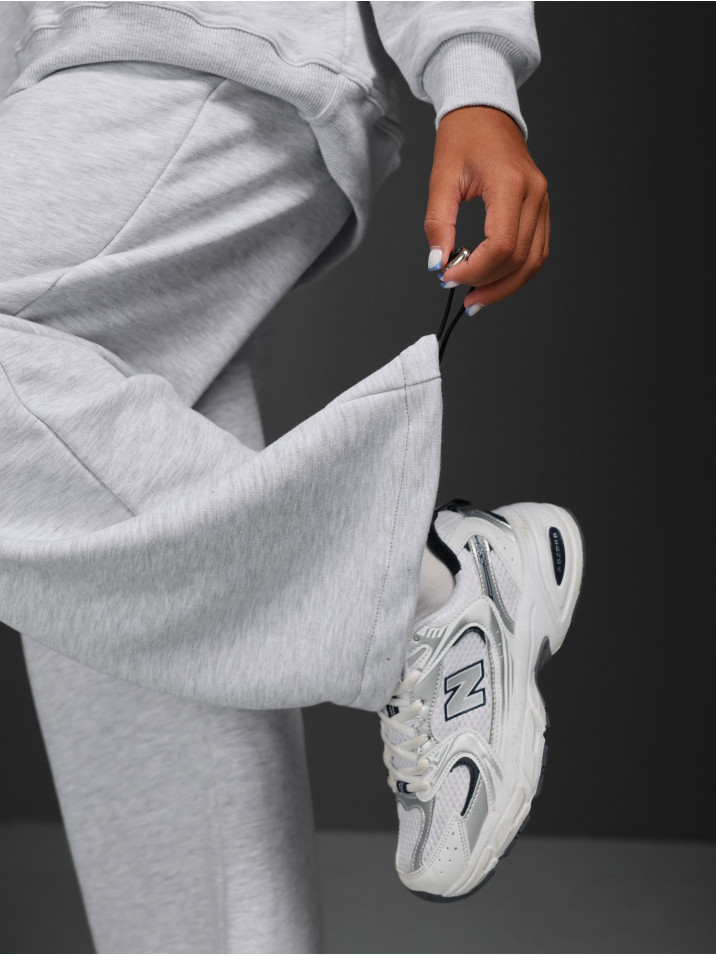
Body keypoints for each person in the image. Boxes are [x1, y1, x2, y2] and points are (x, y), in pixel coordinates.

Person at [0, 2, 582, 952]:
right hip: (63, 76)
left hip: (204, 52)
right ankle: (426, 589)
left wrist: (473, 77)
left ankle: (422, 592)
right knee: (146, 588)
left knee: (125, 548)